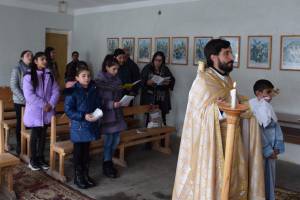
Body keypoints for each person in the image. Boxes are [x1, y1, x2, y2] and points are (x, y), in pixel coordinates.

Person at [172, 39, 265, 200]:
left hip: (231, 139)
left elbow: (233, 101)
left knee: (232, 179)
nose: (232, 57)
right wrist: (218, 110)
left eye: (231, 52)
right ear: (214, 57)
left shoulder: (227, 79)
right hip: (210, 145)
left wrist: (248, 105)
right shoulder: (203, 81)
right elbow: (196, 116)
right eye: (226, 53)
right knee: (216, 182)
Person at [64, 62, 101, 189]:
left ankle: (85, 175)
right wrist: (83, 115)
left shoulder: (93, 89)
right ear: (77, 78)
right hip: (78, 127)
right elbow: (69, 110)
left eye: (89, 76)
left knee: (86, 153)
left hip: (90, 125)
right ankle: (78, 177)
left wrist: (98, 112)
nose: (87, 78)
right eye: (83, 76)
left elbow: (98, 103)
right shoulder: (72, 91)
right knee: (78, 153)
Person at [23, 52, 60, 171]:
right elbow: (29, 95)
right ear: (35, 61)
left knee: (44, 135)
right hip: (35, 110)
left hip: (47, 110)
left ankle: (40, 157)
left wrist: (51, 104)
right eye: (42, 59)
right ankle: (33, 159)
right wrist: (44, 104)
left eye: (45, 59)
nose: (45, 61)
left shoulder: (49, 74)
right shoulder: (28, 76)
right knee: (35, 135)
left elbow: (56, 90)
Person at [249, 79, 285, 200]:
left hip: (270, 150)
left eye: (271, 92)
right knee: (259, 177)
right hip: (261, 150)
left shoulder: (266, 106)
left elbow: (276, 128)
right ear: (259, 93)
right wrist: (268, 151)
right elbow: (257, 131)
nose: (271, 95)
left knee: (269, 178)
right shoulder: (253, 107)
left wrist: (277, 147)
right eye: (268, 92)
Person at [95, 55, 127, 178]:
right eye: (114, 69)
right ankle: (106, 164)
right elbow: (98, 100)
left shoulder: (117, 81)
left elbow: (118, 96)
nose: (116, 71)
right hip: (107, 115)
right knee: (109, 141)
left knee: (116, 140)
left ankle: (108, 159)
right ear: (107, 67)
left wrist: (123, 101)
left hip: (117, 114)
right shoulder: (99, 81)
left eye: (117, 69)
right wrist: (111, 104)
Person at [140, 51, 175, 125]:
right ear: (153, 59)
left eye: (160, 60)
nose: (157, 62)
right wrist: (147, 82)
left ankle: (162, 135)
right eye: (156, 60)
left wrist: (168, 82)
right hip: (150, 96)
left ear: (162, 61)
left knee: (162, 117)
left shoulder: (165, 69)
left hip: (161, 96)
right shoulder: (147, 68)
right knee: (150, 118)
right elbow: (141, 81)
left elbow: (172, 79)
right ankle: (149, 135)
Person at [10, 50, 33, 154]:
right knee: (21, 123)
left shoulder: (33, 69)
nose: (30, 56)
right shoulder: (17, 69)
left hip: (31, 102)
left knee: (29, 123)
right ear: (22, 57)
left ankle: (28, 145)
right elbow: (14, 86)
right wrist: (25, 99)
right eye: (27, 54)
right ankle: (20, 145)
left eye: (31, 55)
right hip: (20, 101)